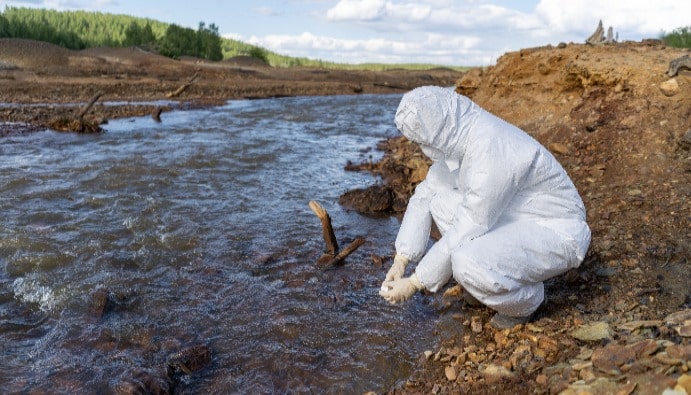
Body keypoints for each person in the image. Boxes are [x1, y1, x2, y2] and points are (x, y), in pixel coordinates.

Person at [379, 86, 591, 329]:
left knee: (465, 261)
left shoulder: (490, 150)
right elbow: (426, 193)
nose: (421, 148)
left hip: (557, 229)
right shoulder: (462, 138)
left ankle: (526, 301)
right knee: (439, 201)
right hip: (517, 216)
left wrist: (416, 282)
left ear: (436, 130)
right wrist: (401, 260)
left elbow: (469, 225)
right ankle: (487, 282)